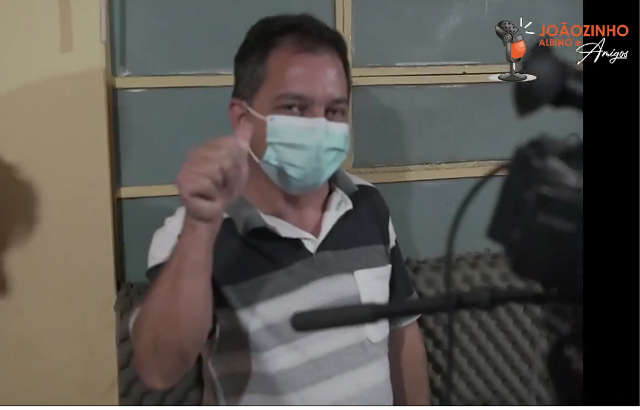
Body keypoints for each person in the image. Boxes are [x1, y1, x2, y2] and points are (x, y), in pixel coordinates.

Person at [130, 13, 430, 405]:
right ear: (243, 118)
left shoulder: (367, 203)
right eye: (295, 108)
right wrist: (202, 226)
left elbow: (402, 334)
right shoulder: (193, 234)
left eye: (334, 111)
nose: (319, 127)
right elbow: (158, 368)